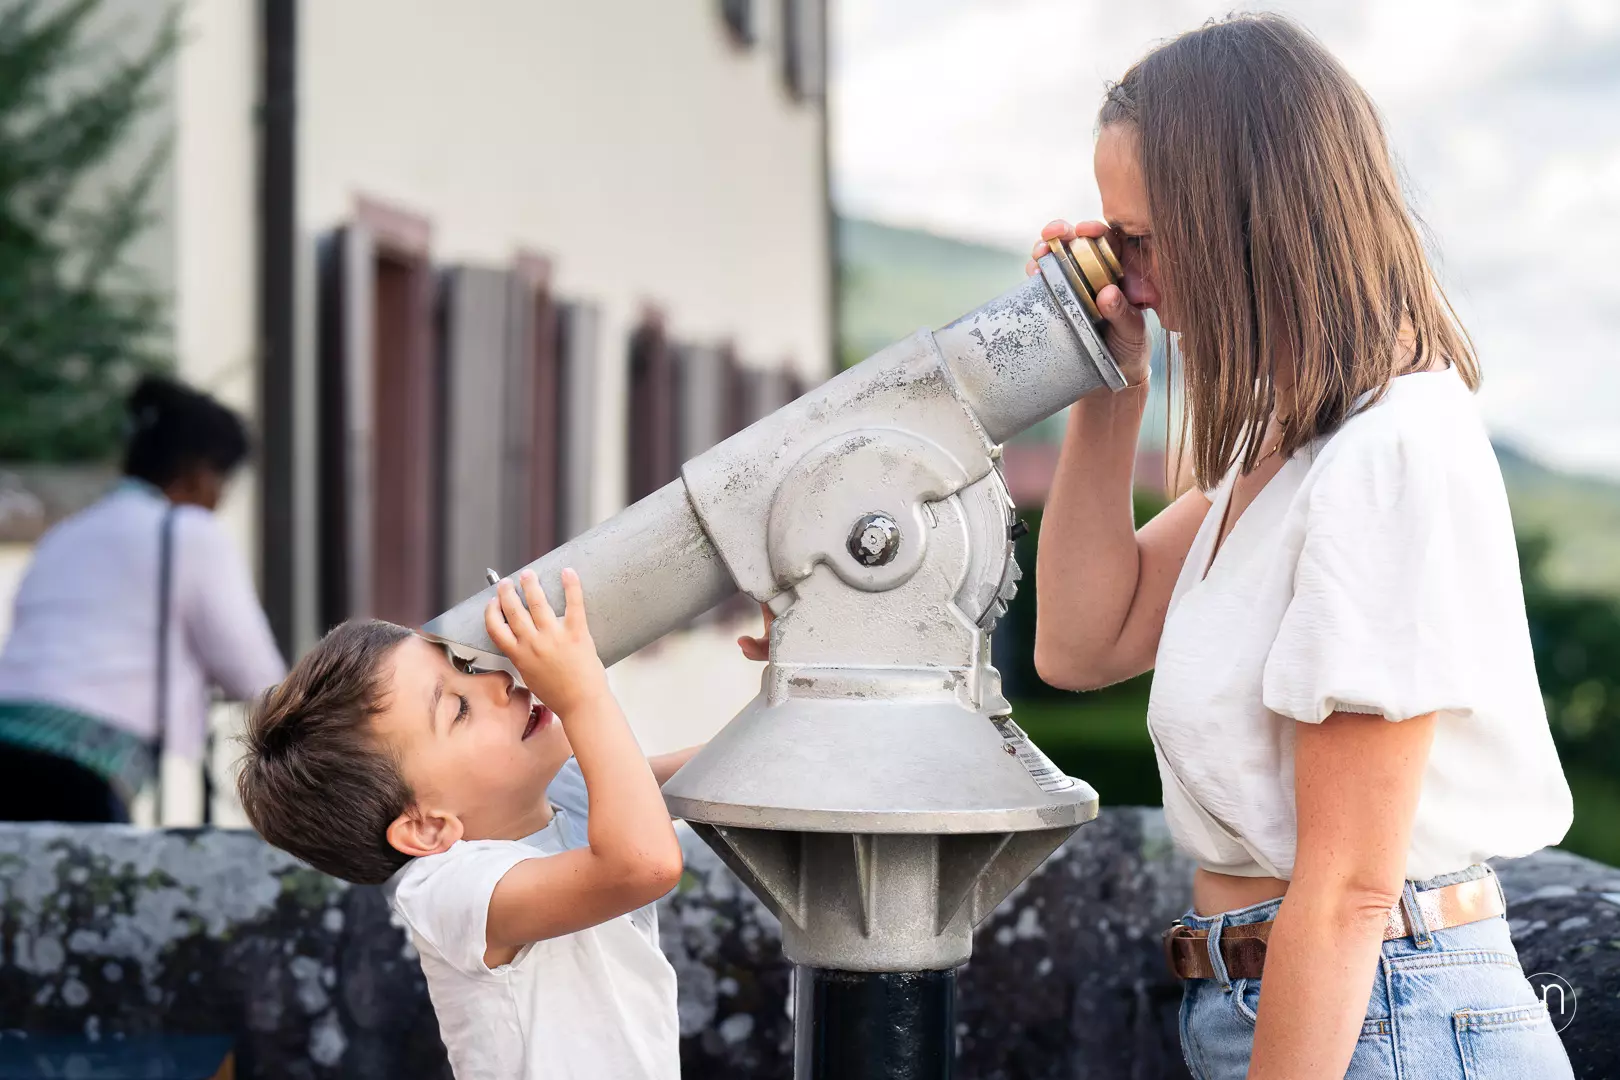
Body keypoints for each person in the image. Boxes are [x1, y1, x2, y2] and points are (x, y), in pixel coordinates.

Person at [1025, 14, 1574, 1080]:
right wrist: (1109, 380)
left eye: (1141, 240)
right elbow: (1081, 645)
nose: (1129, 275)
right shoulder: (1289, 445)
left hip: (1384, 1014)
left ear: (1247, 221)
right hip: (1317, 1007)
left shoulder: (1384, 454)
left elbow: (1351, 889)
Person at [237, 569, 709, 1080]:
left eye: (469, 666)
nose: (499, 681)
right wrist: (582, 695)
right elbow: (642, 866)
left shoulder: (558, 788)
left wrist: (779, 660)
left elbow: (726, 774)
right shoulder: (450, 889)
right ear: (427, 828)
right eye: (459, 709)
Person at [0, 375, 286, 822]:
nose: (219, 500)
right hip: (77, 771)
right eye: (222, 485)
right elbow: (255, 675)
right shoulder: (188, 531)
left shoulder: (65, 534)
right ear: (200, 473)